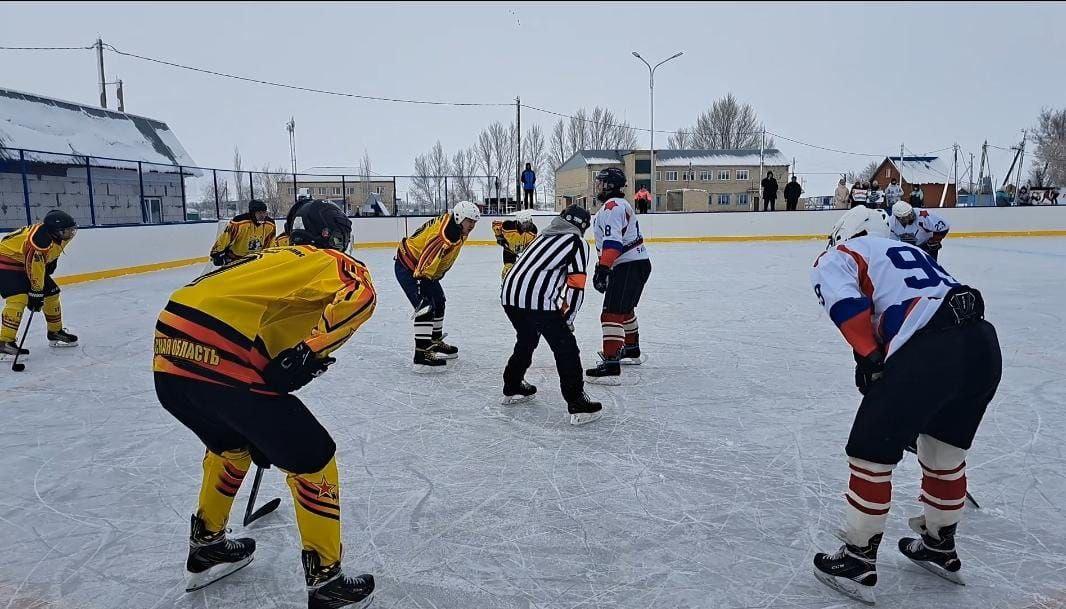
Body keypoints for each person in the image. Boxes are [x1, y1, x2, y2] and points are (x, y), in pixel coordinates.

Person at [153, 201, 378, 608]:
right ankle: (327, 581)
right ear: (328, 234)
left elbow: (256, 330)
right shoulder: (324, 259)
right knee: (314, 457)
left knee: (231, 448)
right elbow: (361, 295)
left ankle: (207, 546)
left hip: (168, 362)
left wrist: (260, 401)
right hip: (219, 363)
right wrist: (310, 353)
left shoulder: (264, 258)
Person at [809, 206, 1001, 604]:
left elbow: (847, 305)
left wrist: (868, 356)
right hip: (982, 343)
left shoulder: (840, 254)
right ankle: (939, 544)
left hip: (931, 344)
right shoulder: (909, 252)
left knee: (869, 450)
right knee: (943, 450)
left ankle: (858, 558)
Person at [500, 204, 603, 425]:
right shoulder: (576, 242)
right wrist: (568, 318)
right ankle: (577, 402)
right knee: (566, 348)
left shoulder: (541, 237)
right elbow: (575, 284)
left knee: (527, 339)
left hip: (509, 297)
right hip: (537, 301)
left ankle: (512, 384)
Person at [584, 167, 652, 383]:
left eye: (600, 183)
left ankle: (611, 362)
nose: (598, 188)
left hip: (626, 266)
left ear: (609, 185)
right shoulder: (620, 205)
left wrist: (603, 268)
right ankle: (631, 348)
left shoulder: (611, 208)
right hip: (638, 263)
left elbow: (613, 244)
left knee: (611, 313)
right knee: (625, 309)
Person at [394, 200, 480, 371]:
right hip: (410, 268)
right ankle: (421, 354)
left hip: (423, 267)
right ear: (459, 217)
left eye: (474, 222)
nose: (472, 225)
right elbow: (425, 264)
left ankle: (434, 341)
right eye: (469, 221)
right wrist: (424, 283)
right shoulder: (444, 235)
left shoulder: (456, 227)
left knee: (439, 300)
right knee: (425, 306)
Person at [0, 210, 79, 358]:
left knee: (52, 293)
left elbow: (51, 252)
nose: (71, 233)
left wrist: (51, 261)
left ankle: (55, 332)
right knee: (18, 298)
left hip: (25, 260)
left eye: (72, 229)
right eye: (67, 230)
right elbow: (33, 268)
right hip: (5, 261)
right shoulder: (39, 241)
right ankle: (4, 342)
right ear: (55, 231)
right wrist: (36, 293)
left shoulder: (60, 235)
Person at [210, 200, 277, 266]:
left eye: (264, 212)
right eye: (259, 213)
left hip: (256, 258)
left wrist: (270, 254)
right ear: (252, 213)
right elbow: (226, 237)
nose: (262, 216)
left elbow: (270, 242)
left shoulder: (270, 225)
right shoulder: (239, 223)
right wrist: (216, 253)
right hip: (236, 259)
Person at [491, 209, 538, 280]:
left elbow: (531, 245)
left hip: (524, 252)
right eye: (524, 224)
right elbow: (496, 226)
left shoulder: (533, 230)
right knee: (508, 270)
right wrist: (499, 237)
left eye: (529, 223)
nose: (527, 226)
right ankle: (505, 283)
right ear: (518, 222)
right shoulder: (508, 226)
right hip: (509, 252)